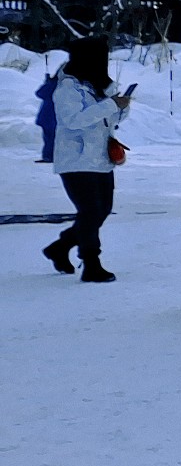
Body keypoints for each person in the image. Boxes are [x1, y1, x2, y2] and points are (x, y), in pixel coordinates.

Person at [41, 37, 129, 282]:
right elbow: (73, 120)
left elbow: (111, 119)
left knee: (101, 211)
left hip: (100, 158)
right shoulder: (67, 87)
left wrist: (120, 105)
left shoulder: (98, 84)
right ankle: (91, 263)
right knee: (90, 212)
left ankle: (59, 247)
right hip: (76, 159)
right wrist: (110, 104)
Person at [33, 68, 58, 162]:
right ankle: (52, 156)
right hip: (55, 117)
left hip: (49, 117)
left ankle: (49, 156)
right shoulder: (62, 86)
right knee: (52, 137)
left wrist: (47, 83)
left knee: (49, 138)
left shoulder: (52, 85)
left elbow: (40, 93)